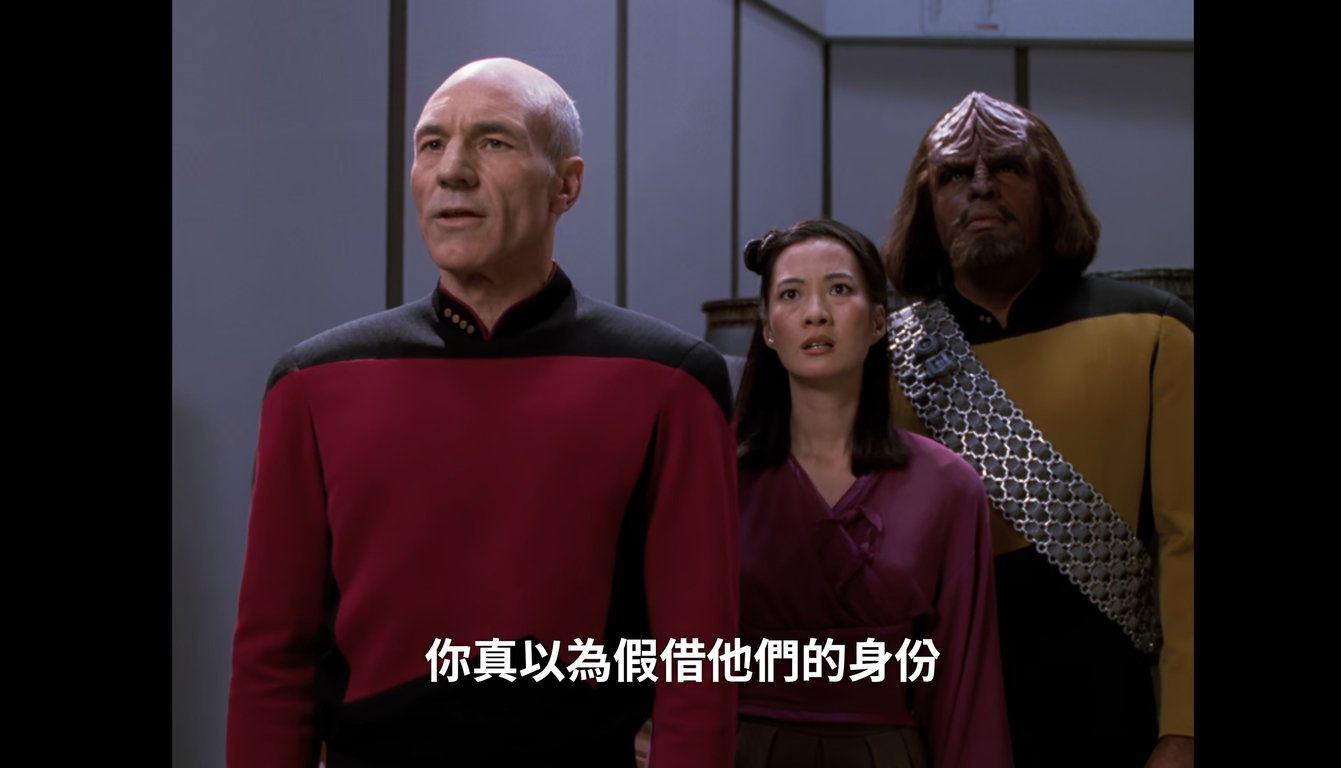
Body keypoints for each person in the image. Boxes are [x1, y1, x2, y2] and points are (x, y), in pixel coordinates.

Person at [227, 57, 739, 768]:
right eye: (431, 144)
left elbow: (699, 663)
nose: (453, 170)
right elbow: (271, 661)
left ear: (566, 185)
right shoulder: (312, 385)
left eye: (493, 142)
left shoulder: (670, 384)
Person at [882, 91, 1194, 768]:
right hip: (943, 716)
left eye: (1006, 166)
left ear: (1050, 188)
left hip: (1120, 715)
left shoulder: (1156, 330)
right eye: (955, 173)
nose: (981, 186)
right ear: (926, 204)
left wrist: (1185, 728)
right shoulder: (885, 358)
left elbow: (1188, 544)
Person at [731, 219, 1013, 768]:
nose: (816, 313)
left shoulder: (947, 486)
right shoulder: (715, 477)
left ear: (880, 321)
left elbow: (965, 681)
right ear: (768, 330)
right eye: (791, 295)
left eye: (839, 289)